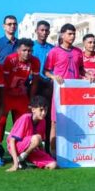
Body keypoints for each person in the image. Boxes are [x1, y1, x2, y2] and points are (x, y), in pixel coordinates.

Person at [44, 24, 86, 154]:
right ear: (62, 35)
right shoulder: (54, 52)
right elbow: (46, 71)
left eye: (74, 34)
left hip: (74, 93)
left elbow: (81, 70)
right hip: (60, 93)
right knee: (55, 122)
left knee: (75, 120)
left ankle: (73, 151)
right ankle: (53, 152)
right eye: (69, 34)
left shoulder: (78, 52)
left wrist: (87, 75)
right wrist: (53, 76)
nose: (72, 36)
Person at [0, 39, 40, 151]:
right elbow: (3, 80)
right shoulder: (10, 59)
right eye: (24, 50)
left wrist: (31, 100)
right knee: (1, 121)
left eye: (30, 51)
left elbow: (35, 82)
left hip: (21, 95)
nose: (27, 53)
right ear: (18, 50)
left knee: (25, 121)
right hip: (7, 94)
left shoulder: (35, 61)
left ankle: (21, 148)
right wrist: (3, 97)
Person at [6, 95, 57, 171]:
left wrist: (43, 155)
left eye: (45, 110)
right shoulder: (25, 118)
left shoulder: (43, 121)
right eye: (41, 110)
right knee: (37, 138)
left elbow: (39, 143)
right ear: (33, 109)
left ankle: (23, 161)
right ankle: (19, 160)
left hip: (31, 149)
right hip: (16, 147)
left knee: (53, 165)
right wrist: (15, 164)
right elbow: (12, 141)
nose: (44, 113)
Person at [32, 20, 55, 150]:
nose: (44, 32)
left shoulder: (52, 48)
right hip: (34, 85)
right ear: (36, 31)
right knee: (34, 116)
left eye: (46, 30)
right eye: (42, 30)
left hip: (48, 86)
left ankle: (47, 148)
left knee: (47, 116)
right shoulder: (31, 47)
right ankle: (32, 146)